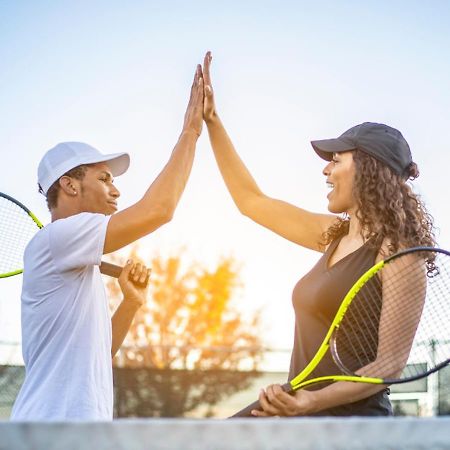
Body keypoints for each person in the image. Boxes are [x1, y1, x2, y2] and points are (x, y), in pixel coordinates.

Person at [201, 52, 436, 416]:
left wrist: (312, 400)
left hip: (352, 425)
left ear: (368, 169)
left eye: (336, 159)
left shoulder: (400, 252)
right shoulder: (332, 235)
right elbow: (251, 201)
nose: (326, 170)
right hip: (301, 411)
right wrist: (212, 121)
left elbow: (388, 367)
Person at [11, 65, 204, 421]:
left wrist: (130, 303)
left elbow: (97, 356)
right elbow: (159, 210)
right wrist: (190, 132)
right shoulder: (58, 238)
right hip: (51, 434)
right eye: (104, 178)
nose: (115, 189)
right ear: (70, 185)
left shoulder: (74, 260)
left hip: (73, 432)